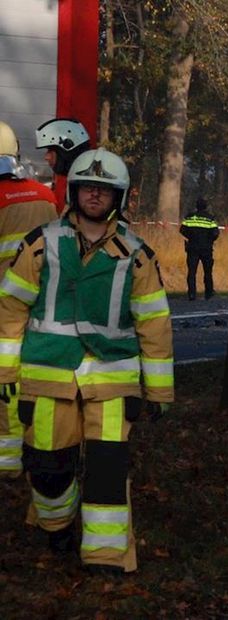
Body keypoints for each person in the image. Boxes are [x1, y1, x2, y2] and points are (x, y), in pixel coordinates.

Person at [0, 148, 173, 574]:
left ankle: (106, 556)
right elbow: (10, 309)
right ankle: (56, 522)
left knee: (107, 472)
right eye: (87, 188)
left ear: (120, 197)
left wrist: (159, 391)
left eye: (104, 190)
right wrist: (5, 372)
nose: (95, 196)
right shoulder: (40, 244)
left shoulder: (137, 255)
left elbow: (154, 324)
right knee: (46, 468)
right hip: (47, 377)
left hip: (112, 383)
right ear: (74, 192)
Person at [0, 121, 63, 480]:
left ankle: (7, 461)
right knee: (35, 379)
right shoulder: (44, 195)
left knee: (4, 380)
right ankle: (38, 450)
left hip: (4, 308)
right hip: (42, 304)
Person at [35, 118, 91, 207]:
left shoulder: (87, 190)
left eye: (50, 150)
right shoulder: (77, 185)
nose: (46, 157)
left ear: (67, 148)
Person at [180, 197, 220, 300]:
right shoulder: (210, 218)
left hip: (192, 247)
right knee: (207, 271)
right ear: (206, 207)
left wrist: (191, 237)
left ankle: (192, 294)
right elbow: (215, 233)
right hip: (206, 248)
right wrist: (209, 240)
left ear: (196, 206)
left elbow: (182, 230)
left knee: (192, 271)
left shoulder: (190, 217)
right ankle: (209, 292)